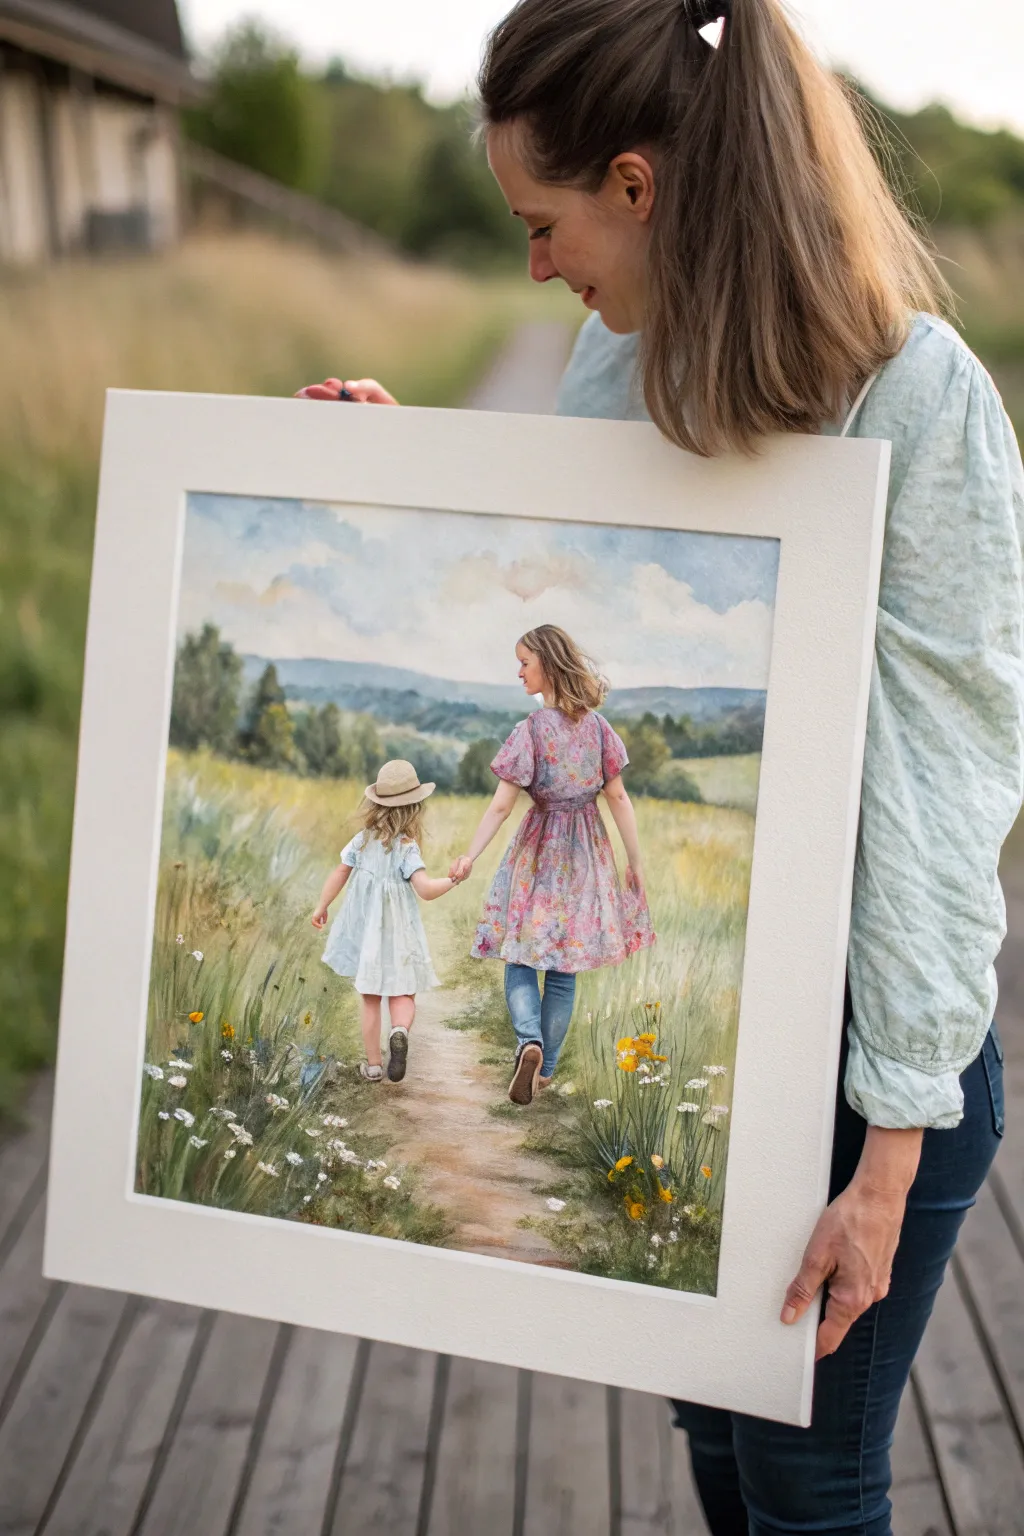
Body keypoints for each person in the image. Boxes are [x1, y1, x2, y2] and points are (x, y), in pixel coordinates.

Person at [297, 0, 1024, 1527]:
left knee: (808, 1481)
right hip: (739, 1042)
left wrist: (890, 1160)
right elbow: (572, 593)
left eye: (542, 225)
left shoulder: (913, 392)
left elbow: (947, 797)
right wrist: (389, 476)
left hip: (872, 1061)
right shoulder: (607, 362)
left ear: (635, 185)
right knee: (710, 1434)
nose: (536, 268)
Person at [449, 625, 655, 1105]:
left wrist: (470, 855)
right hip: (586, 857)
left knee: (522, 955)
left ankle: (530, 1042)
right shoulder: (599, 729)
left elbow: (502, 806)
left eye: (525, 662)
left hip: (538, 853)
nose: (519, 671)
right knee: (565, 969)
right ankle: (545, 1071)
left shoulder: (531, 730)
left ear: (547, 662)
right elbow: (618, 798)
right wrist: (634, 861)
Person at [311, 759, 460, 1084]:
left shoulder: (362, 840)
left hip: (366, 934)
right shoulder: (407, 848)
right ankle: (399, 1030)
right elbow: (425, 890)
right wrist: (453, 880)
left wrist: (322, 905)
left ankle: (374, 1066)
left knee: (370, 998)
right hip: (399, 936)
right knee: (403, 992)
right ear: (414, 809)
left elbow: (340, 872)